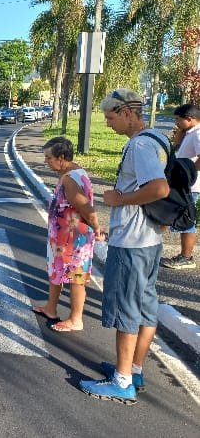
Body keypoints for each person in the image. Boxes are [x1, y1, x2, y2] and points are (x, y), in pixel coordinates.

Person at [79, 88, 170, 405]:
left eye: (111, 116)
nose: (108, 123)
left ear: (129, 113)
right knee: (145, 309)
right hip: (150, 241)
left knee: (126, 313)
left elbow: (159, 188)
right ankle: (133, 369)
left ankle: (121, 382)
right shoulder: (160, 139)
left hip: (131, 242)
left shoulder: (140, 145)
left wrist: (120, 199)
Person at [32, 137, 104, 332]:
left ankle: (76, 319)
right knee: (56, 272)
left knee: (76, 278)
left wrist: (97, 227)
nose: (45, 161)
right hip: (62, 239)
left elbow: (86, 208)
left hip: (75, 242)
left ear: (61, 157)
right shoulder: (68, 173)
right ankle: (51, 308)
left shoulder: (71, 179)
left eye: (48, 158)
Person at [160, 104, 200, 270]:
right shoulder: (189, 133)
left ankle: (186, 257)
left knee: (187, 220)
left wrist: (188, 173)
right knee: (172, 214)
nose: (176, 122)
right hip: (183, 184)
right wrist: (178, 141)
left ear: (189, 119)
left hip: (190, 185)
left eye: (178, 119)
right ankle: (146, 241)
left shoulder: (198, 134)